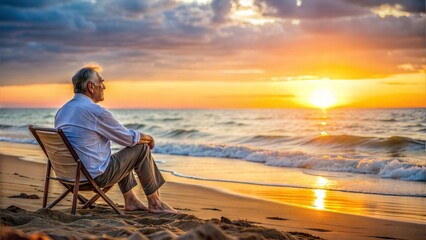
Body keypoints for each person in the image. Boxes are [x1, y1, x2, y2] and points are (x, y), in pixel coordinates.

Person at [55, 63, 177, 214]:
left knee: (118, 158)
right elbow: (128, 139)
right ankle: (155, 203)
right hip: (94, 177)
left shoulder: (63, 110)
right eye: (101, 82)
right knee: (141, 148)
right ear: (91, 87)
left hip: (66, 176)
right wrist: (149, 137)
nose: (104, 87)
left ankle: (131, 200)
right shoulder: (95, 111)